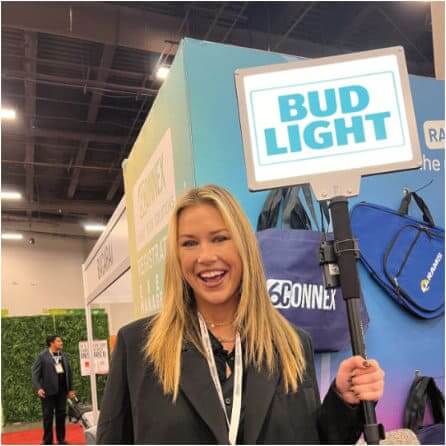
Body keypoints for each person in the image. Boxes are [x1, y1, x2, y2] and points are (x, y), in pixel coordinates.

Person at [97, 185, 385, 444]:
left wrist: (343, 400)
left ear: (244, 247)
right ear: (176, 256)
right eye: (189, 243)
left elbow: (310, 438)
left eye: (220, 238)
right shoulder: (137, 347)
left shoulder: (292, 345)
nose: (206, 256)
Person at [32, 335, 75, 445]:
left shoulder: (64, 355)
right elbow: (35, 373)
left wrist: (70, 389)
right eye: (58, 341)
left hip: (62, 391)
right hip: (47, 392)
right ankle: (47, 441)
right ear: (51, 343)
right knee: (48, 417)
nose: (61, 342)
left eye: (61, 340)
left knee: (61, 415)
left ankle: (61, 439)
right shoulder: (42, 356)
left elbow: (69, 373)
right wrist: (38, 388)